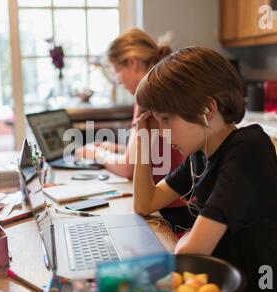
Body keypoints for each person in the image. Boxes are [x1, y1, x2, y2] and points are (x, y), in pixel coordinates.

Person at [133, 46, 277, 292]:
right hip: (224, 288)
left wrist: (189, 237)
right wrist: (143, 142)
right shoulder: (201, 152)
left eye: (167, 118)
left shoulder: (250, 148)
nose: (162, 131)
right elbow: (145, 203)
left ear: (207, 109)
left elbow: (189, 254)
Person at [76, 29, 193, 232]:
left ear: (132, 62)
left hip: (168, 209)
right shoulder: (165, 84)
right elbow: (152, 152)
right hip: (185, 203)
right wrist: (112, 148)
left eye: (117, 73)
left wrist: (95, 153)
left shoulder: (148, 95)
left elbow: (128, 168)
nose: (120, 82)